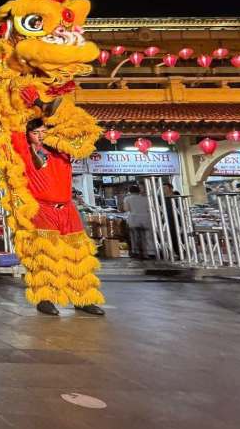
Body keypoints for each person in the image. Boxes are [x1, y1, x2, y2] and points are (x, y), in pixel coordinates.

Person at [11, 118, 105, 316]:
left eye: (44, 131)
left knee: (78, 255)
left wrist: (54, 118)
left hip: (68, 209)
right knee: (46, 256)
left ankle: (83, 298)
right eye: (36, 132)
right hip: (42, 209)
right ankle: (45, 299)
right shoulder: (24, 153)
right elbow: (12, 126)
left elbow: (84, 133)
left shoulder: (62, 151)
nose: (41, 135)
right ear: (28, 135)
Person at [122, 184, 153, 258]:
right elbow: (150, 209)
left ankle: (136, 252)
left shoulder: (127, 199)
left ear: (130, 191)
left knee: (134, 236)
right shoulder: (145, 198)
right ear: (139, 191)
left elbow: (126, 209)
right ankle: (151, 252)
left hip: (134, 218)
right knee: (148, 236)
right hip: (146, 218)